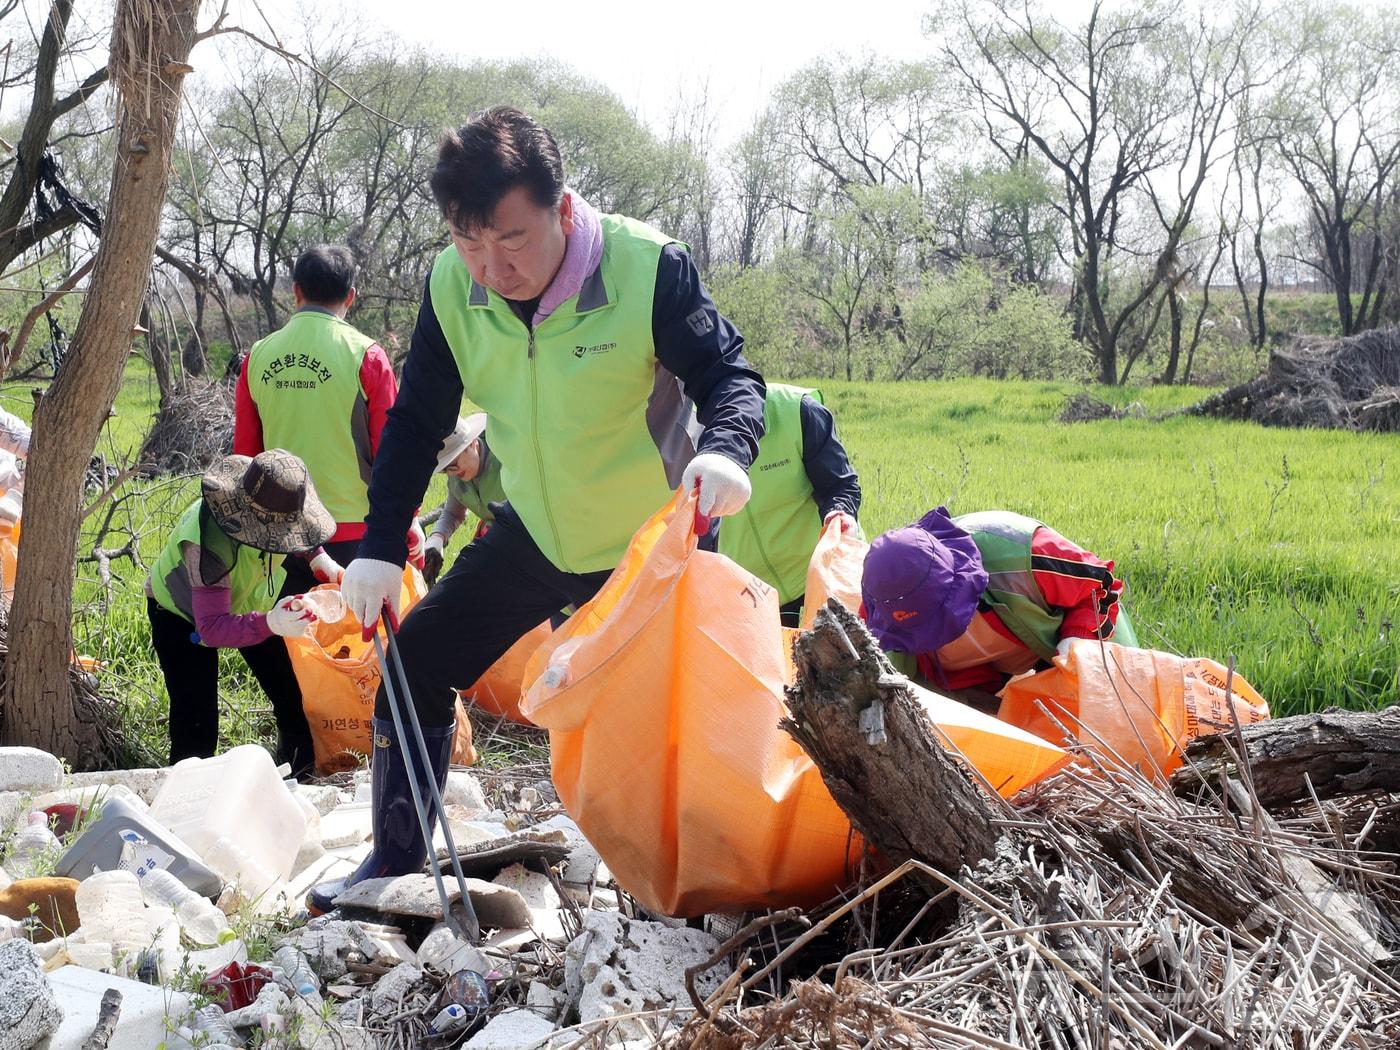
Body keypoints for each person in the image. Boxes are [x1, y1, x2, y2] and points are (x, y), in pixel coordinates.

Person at [308, 106, 766, 912]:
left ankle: (689, 886)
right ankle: (392, 860)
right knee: (417, 659)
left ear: (562, 209)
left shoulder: (645, 266)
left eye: (511, 239)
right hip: (537, 532)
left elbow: (730, 377)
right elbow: (417, 421)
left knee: (658, 725)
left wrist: (726, 448)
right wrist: (379, 545)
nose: (491, 266)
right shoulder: (454, 286)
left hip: (647, 543)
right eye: (467, 239)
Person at [234, 244, 423, 591]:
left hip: (281, 531)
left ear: (296, 291)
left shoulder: (257, 357)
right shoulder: (367, 356)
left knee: (290, 638)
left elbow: (246, 453)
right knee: (353, 642)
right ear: (350, 296)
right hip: (356, 528)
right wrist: (407, 518)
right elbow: (392, 451)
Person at [145, 451, 336, 768]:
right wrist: (272, 623)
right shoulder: (209, 543)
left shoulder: (272, 497)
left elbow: (292, 521)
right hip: (182, 614)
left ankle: (300, 775)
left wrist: (319, 558)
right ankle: (189, 796)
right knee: (197, 717)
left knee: (291, 691)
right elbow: (213, 628)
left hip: (248, 600)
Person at [861, 507, 1124, 706]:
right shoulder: (884, 602)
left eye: (937, 623)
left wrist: (1076, 639)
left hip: (1086, 631)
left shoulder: (1022, 556)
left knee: (1109, 711)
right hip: (982, 678)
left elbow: (1101, 586)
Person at [716, 383, 860, 626]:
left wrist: (839, 513)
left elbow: (839, 485)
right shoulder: (685, 429)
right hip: (750, 596)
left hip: (821, 579)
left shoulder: (798, 410)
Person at [421, 413, 504, 586]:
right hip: (492, 544)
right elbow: (453, 513)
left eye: (453, 463)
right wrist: (437, 538)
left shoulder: (504, 460)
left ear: (473, 444)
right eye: (445, 470)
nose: (451, 473)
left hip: (524, 542)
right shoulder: (457, 478)